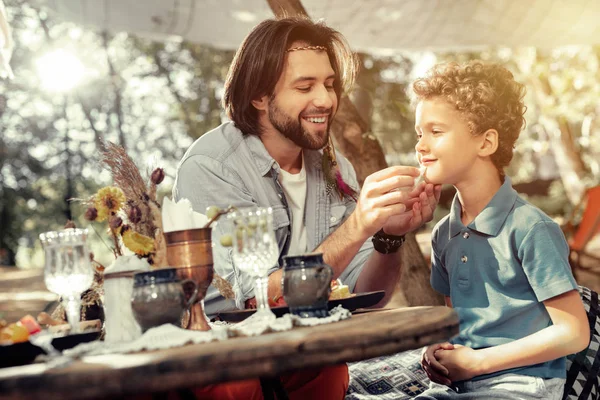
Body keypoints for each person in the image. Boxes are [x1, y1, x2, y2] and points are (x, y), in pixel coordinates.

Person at [173, 17, 440, 400]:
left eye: (330, 84)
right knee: (240, 385)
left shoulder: (335, 168)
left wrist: (387, 236)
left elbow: (370, 298)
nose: (326, 100)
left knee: (329, 369)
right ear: (259, 96)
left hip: (304, 352)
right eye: (305, 86)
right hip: (223, 354)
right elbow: (255, 298)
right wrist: (358, 224)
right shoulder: (213, 167)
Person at [412, 61, 590, 399]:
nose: (420, 145)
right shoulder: (442, 234)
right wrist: (439, 349)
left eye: (436, 132)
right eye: (419, 133)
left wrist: (478, 363)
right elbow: (457, 321)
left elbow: (574, 333)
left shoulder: (530, 228)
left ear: (486, 142)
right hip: (463, 385)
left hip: (524, 386)